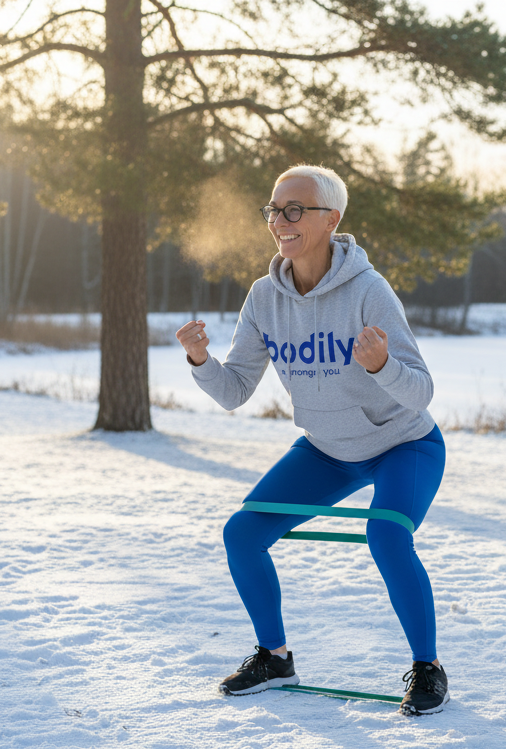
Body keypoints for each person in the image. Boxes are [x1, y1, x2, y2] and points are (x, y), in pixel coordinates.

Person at [176, 165, 448, 715]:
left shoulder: (369, 291)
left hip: (403, 444)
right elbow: (234, 392)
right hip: (327, 451)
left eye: (295, 209)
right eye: (275, 210)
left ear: (332, 220)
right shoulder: (263, 297)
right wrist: (200, 360)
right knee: (242, 533)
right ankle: (274, 657)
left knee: (387, 536)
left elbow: (419, 392)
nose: (281, 220)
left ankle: (428, 669)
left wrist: (381, 367)